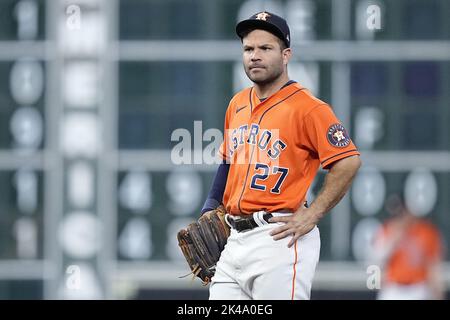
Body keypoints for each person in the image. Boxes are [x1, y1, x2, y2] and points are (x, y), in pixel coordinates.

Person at [201, 11, 361, 300]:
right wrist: (209, 206)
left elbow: (348, 161)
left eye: (265, 48)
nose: (255, 56)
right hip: (234, 239)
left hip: (279, 237)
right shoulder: (237, 103)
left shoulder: (310, 108)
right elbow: (228, 160)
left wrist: (313, 213)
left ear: (286, 55)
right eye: (248, 49)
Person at [372, 194, 445, 300]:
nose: (400, 217)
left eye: (401, 212)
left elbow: (434, 265)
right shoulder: (386, 230)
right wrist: (392, 241)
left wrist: (438, 293)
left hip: (418, 288)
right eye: (396, 214)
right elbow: (374, 263)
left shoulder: (426, 231)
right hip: (393, 288)